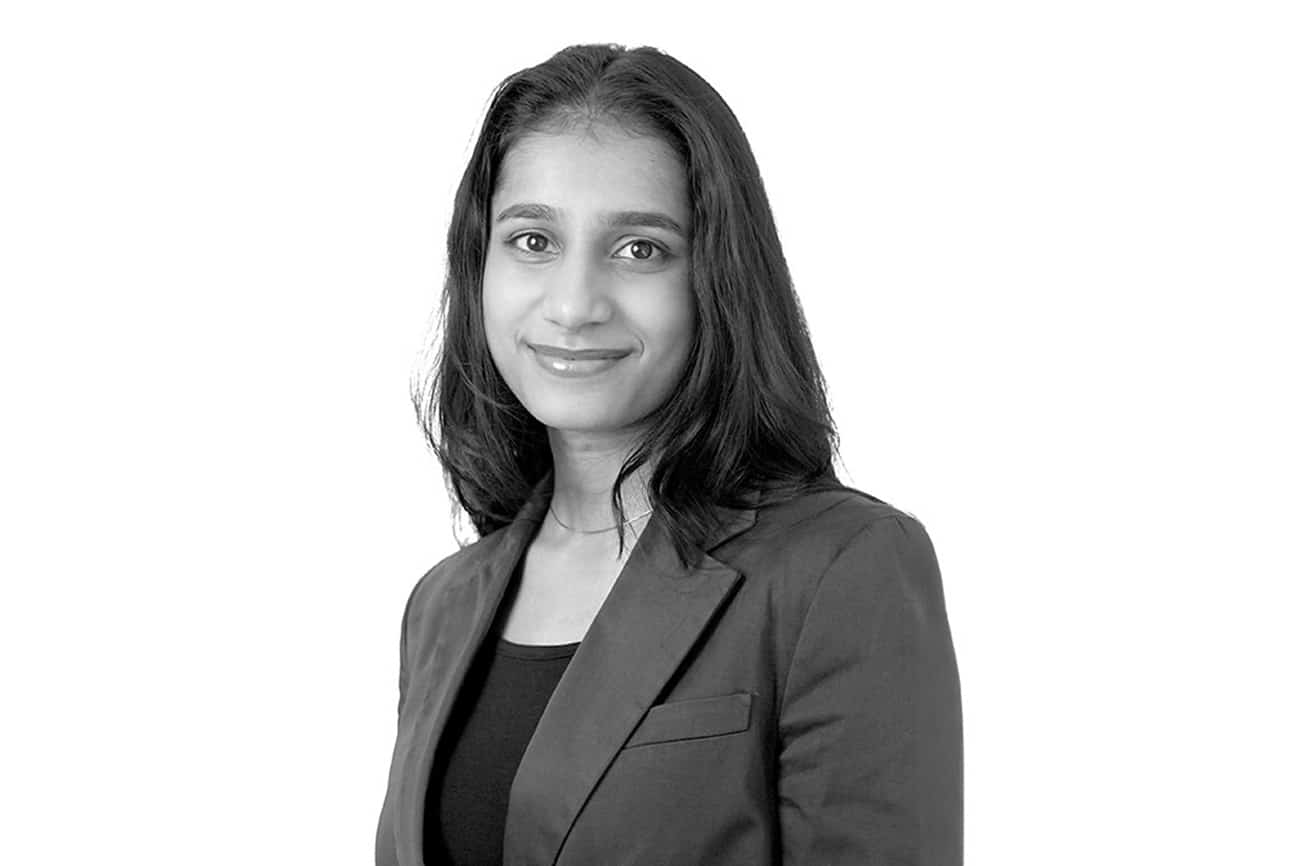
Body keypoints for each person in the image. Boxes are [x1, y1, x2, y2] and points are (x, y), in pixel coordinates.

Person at [375, 43, 962, 866]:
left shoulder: (841, 569)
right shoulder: (441, 605)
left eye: (639, 249)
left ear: (716, 277)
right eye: (533, 240)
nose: (573, 305)